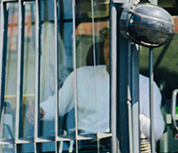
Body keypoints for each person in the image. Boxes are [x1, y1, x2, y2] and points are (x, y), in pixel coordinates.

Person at [27, 27, 164, 141]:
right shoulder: (81, 75)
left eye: (118, 45)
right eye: (108, 45)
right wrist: (40, 111)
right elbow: (58, 103)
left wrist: (135, 117)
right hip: (86, 148)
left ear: (130, 50)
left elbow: (157, 131)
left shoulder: (146, 85)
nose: (111, 51)